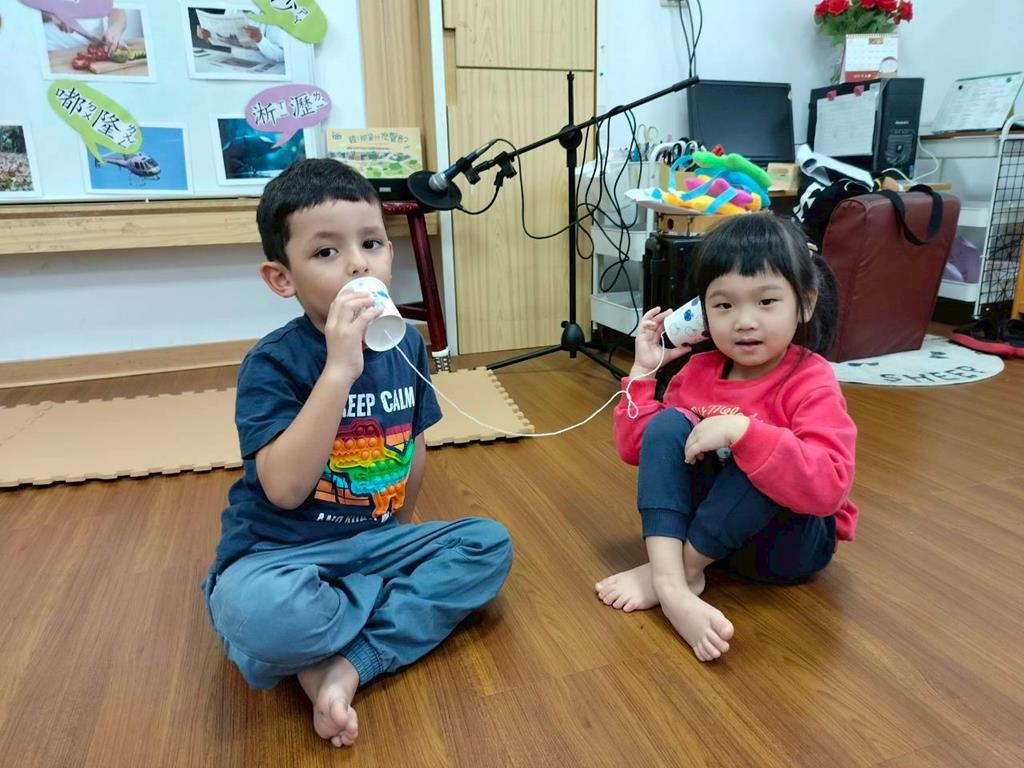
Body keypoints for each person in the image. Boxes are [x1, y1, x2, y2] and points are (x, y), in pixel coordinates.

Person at [202, 159, 513, 748]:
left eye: (371, 243)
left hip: (372, 540)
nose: (358, 265)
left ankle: (346, 662)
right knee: (265, 615)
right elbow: (283, 490)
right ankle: (352, 624)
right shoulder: (273, 363)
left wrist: (397, 538)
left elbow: (413, 446)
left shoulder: (407, 345)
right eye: (326, 252)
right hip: (281, 554)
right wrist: (339, 370)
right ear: (282, 279)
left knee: (489, 546)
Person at [595, 212, 857, 662]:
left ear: (805, 303)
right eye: (723, 306)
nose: (744, 321)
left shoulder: (812, 379)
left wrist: (746, 434)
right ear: (701, 313)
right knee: (668, 425)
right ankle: (676, 583)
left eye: (767, 301)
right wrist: (643, 371)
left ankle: (673, 575)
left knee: (765, 451)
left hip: (784, 549)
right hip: (714, 537)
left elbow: (829, 486)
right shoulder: (698, 370)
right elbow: (638, 448)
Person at [42, 9, 127, 51]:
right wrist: (51, 14)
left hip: (95, 54)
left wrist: (115, 28)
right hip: (52, 56)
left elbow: (117, 11)